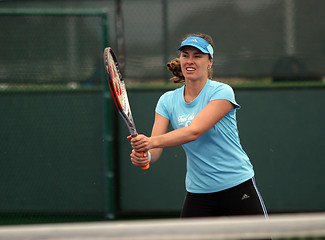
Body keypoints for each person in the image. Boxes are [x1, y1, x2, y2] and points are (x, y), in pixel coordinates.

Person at [128, 33, 268, 218]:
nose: (190, 61)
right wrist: (145, 156)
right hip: (199, 193)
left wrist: (150, 142)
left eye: (197, 56)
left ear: (210, 61)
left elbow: (194, 131)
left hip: (237, 186)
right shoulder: (167, 101)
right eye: (185, 55)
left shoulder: (222, 92)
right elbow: (155, 149)